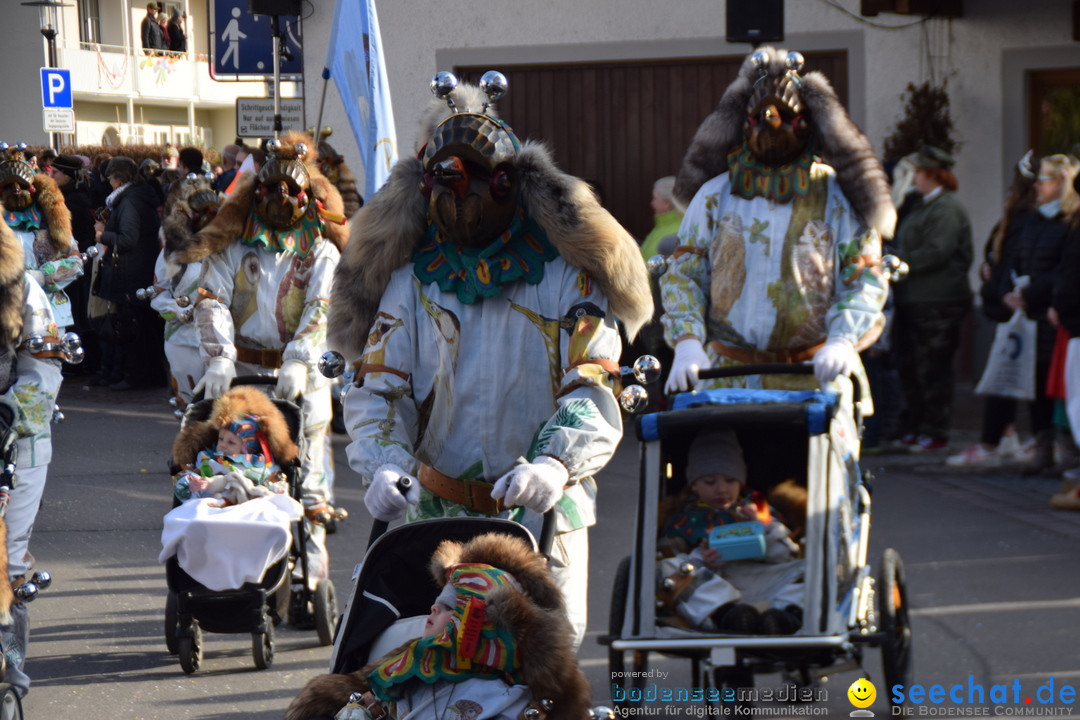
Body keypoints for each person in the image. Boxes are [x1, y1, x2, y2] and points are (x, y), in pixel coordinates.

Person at [330, 75, 652, 647]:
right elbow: (379, 387)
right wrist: (383, 461)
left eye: (478, 181)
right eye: (444, 184)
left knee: (540, 669)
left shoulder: (565, 276)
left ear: (509, 184)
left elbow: (594, 380)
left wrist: (554, 463)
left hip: (541, 511)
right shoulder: (411, 280)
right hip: (435, 520)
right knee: (426, 666)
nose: (460, 199)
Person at [172, 131, 349, 588]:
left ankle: (312, 580)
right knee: (241, 469)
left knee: (308, 479)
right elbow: (211, 298)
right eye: (270, 190)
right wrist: (219, 357)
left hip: (301, 379)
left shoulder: (320, 250)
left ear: (308, 198)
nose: (280, 199)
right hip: (244, 378)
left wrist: (298, 358)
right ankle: (243, 569)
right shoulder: (235, 247)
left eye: (291, 191)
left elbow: (321, 306)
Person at [661, 47, 893, 396]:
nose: (771, 123)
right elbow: (684, 274)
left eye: (785, 114)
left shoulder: (838, 196)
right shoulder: (713, 195)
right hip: (726, 378)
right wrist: (688, 341)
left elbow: (864, 275)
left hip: (814, 375)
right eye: (759, 117)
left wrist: (844, 338)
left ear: (807, 124)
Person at [284, 532, 591, 720]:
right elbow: (374, 704)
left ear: (480, 624)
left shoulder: (508, 694)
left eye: (447, 608)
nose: (431, 608)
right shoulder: (406, 668)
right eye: (436, 602)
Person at [0, 216, 65, 699]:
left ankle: (9, 675)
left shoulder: (20, 287)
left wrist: (9, 410)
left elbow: (44, 367)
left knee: (6, 562)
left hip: (14, 443)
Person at [947, 152, 1043, 468]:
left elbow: (1017, 264)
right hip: (1010, 308)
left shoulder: (1031, 220)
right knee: (1008, 376)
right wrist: (994, 283)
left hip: (1027, 309)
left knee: (1026, 378)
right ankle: (1006, 436)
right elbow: (997, 260)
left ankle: (1014, 440)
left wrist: (1000, 288)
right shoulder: (1016, 219)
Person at [658, 429, 804, 636]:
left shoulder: (758, 510)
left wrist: (765, 531)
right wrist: (700, 560)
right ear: (694, 485)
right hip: (713, 585)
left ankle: (786, 617)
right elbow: (672, 562)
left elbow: (786, 556)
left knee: (812, 567)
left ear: (741, 482)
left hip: (759, 578)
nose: (721, 489)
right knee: (666, 568)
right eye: (710, 482)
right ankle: (727, 616)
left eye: (730, 481)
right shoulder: (683, 519)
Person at [160, 385, 303, 592]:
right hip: (213, 504)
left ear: (247, 446)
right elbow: (185, 483)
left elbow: (276, 484)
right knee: (193, 521)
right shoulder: (206, 459)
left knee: (272, 523)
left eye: (231, 442)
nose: (222, 445)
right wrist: (193, 484)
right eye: (220, 439)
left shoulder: (261, 465)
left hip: (249, 505)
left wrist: (273, 490)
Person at [890, 145, 974, 450]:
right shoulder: (922, 205)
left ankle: (935, 430)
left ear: (933, 175)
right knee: (910, 366)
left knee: (933, 368)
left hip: (939, 301)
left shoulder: (947, 208)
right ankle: (915, 425)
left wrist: (901, 262)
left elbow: (938, 251)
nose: (915, 179)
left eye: (920, 173)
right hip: (915, 299)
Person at [91, 156, 163, 390]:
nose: (108, 182)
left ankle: (137, 377)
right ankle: (147, 375)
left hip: (131, 272)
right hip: (139, 270)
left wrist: (103, 236)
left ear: (118, 178)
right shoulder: (136, 197)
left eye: (110, 177)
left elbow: (128, 239)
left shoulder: (129, 201)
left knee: (135, 329)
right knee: (142, 326)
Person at [150, 174, 219, 407]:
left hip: (220, 341)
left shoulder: (226, 250)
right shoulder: (170, 253)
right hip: (181, 338)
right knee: (191, 406)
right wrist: (179, 310)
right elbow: (158, 294)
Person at [0, 144, 84, 331]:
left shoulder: (50, 222)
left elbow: (75, 261)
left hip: (47, 313)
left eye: (21, 185)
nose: (15, 190)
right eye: (8, 186)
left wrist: (42, 276)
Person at [640, 175, 682, 260]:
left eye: (655, 198)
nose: (652, 203)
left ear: (667, 203)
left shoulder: (677, 231)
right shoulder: (662, 225)